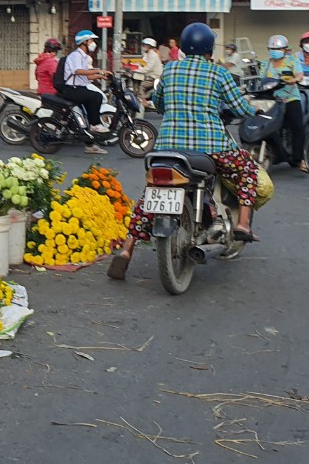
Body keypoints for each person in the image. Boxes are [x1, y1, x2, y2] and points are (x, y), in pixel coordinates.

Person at [109, 22, 261, 281]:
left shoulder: (169, 70)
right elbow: (239, 107)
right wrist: (255, 111)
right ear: (208, 49)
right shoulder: (218, 73)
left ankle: (125, 252)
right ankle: (243, 224)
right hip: (211, 149)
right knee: (247, 169)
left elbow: (158, 103)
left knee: (148, 198)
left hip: (167, 150)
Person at [62, 30, 111, 154]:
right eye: (91, 40)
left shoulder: (84, 57)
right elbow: (78, 71)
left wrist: (99, 76)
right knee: (96, 97)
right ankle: (95, 125)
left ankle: (90, 146)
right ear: (84, 42)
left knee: (86, 117)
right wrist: (99, 71)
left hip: (79, 89)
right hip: (72, 90)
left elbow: (85, 77)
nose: (93, 43)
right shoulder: (76, 55)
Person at [264, 35, 307, 172]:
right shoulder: (265, 64)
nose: (274, 51)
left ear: (285, 49)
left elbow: (300, 75)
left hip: (290, 98)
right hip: (272, 100)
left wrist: (294, 79)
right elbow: (260, 79)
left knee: (297, 127)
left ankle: (300, 159)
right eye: (272, 48)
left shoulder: (292, 60)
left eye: (278, 48)